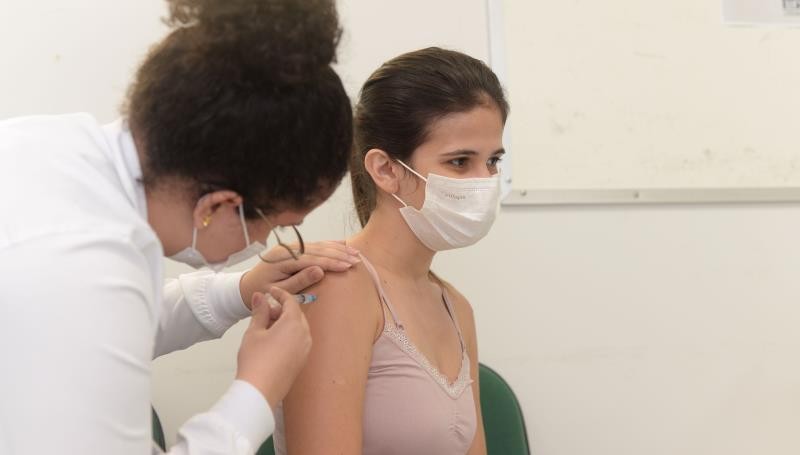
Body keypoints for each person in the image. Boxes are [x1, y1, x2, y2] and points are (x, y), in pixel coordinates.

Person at [0, 0, 361, 453]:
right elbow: (89, 308)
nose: (264, 242)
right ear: (219, 206)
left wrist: (238, 291)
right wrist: (256, 391)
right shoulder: (79, 263)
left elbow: (101, 330)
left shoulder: (50, 149)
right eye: (278, 226)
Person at [272, 47, 510, 455]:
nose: (483, 180)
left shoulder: (456, 307)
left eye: (493, 161)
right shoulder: (335, 287)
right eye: (459, 162)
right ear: (385, 169)